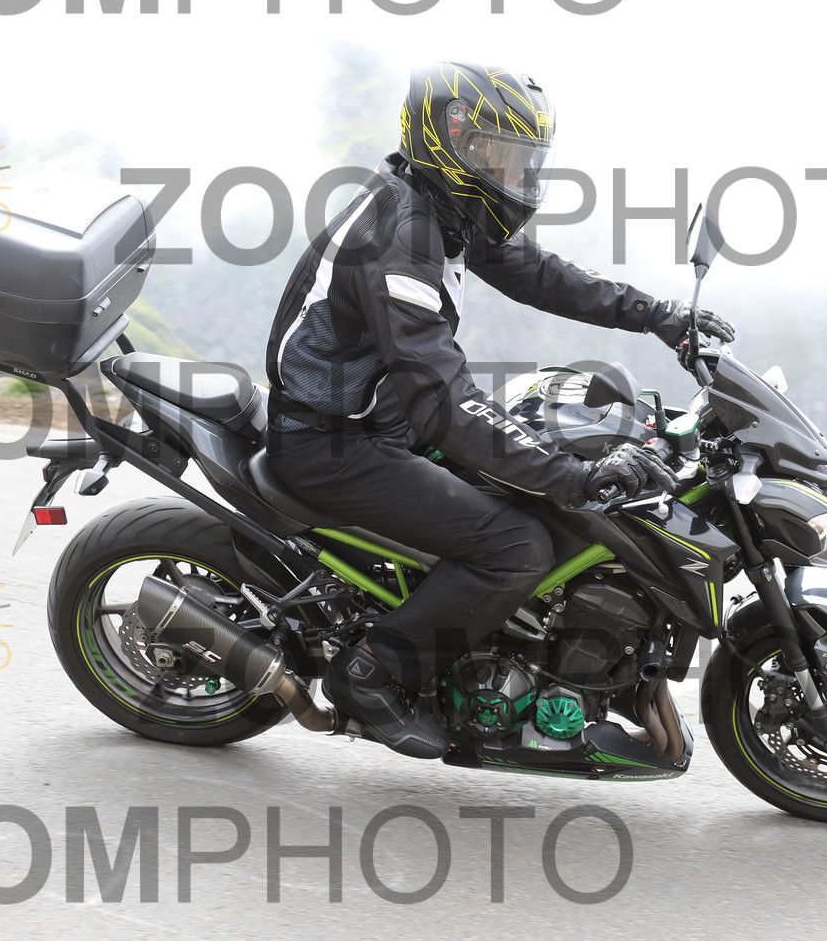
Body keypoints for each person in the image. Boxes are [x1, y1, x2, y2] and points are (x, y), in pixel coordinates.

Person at [263, 62, 735, 757]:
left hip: (379, 418)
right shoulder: (399, 241)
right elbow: (445, 405)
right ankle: (371, 673)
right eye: (498, 155)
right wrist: (576, 477)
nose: (515, 175)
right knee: (518, 546)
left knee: (545, 474)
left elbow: (535, 272)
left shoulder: (438, 208)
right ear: (447, 141)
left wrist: (655, 314)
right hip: (333, 444)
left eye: (523, 160)